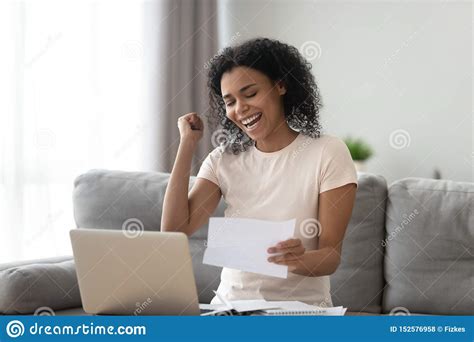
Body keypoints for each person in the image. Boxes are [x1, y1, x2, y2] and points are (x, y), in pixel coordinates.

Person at [161, 37, 358, 307]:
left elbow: (330, 256)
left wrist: (299, 261)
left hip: (300, 311)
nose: (240, 109)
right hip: (229, 308)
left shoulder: (327, 152)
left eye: (250, 94)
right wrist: (187, 144)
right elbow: (173, 230)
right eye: (229, 101)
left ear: (280, 86)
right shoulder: (223, 160)